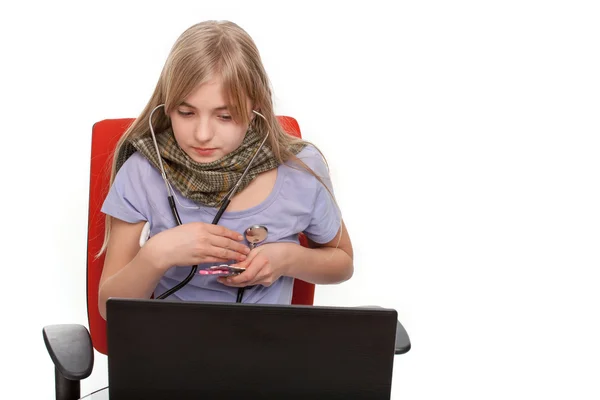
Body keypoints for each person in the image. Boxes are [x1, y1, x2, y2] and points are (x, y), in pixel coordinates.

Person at [97, 20, 353, 320]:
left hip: (267, 352)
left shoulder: (301, 169)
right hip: (174, 352)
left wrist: (287, 259)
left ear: (255, 108)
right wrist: (158, 254)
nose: (202, 134)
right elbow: (108, 308)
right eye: (186, 112)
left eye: (225, 116)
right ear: (166, 107)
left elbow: (343, 263)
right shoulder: (143, 173)